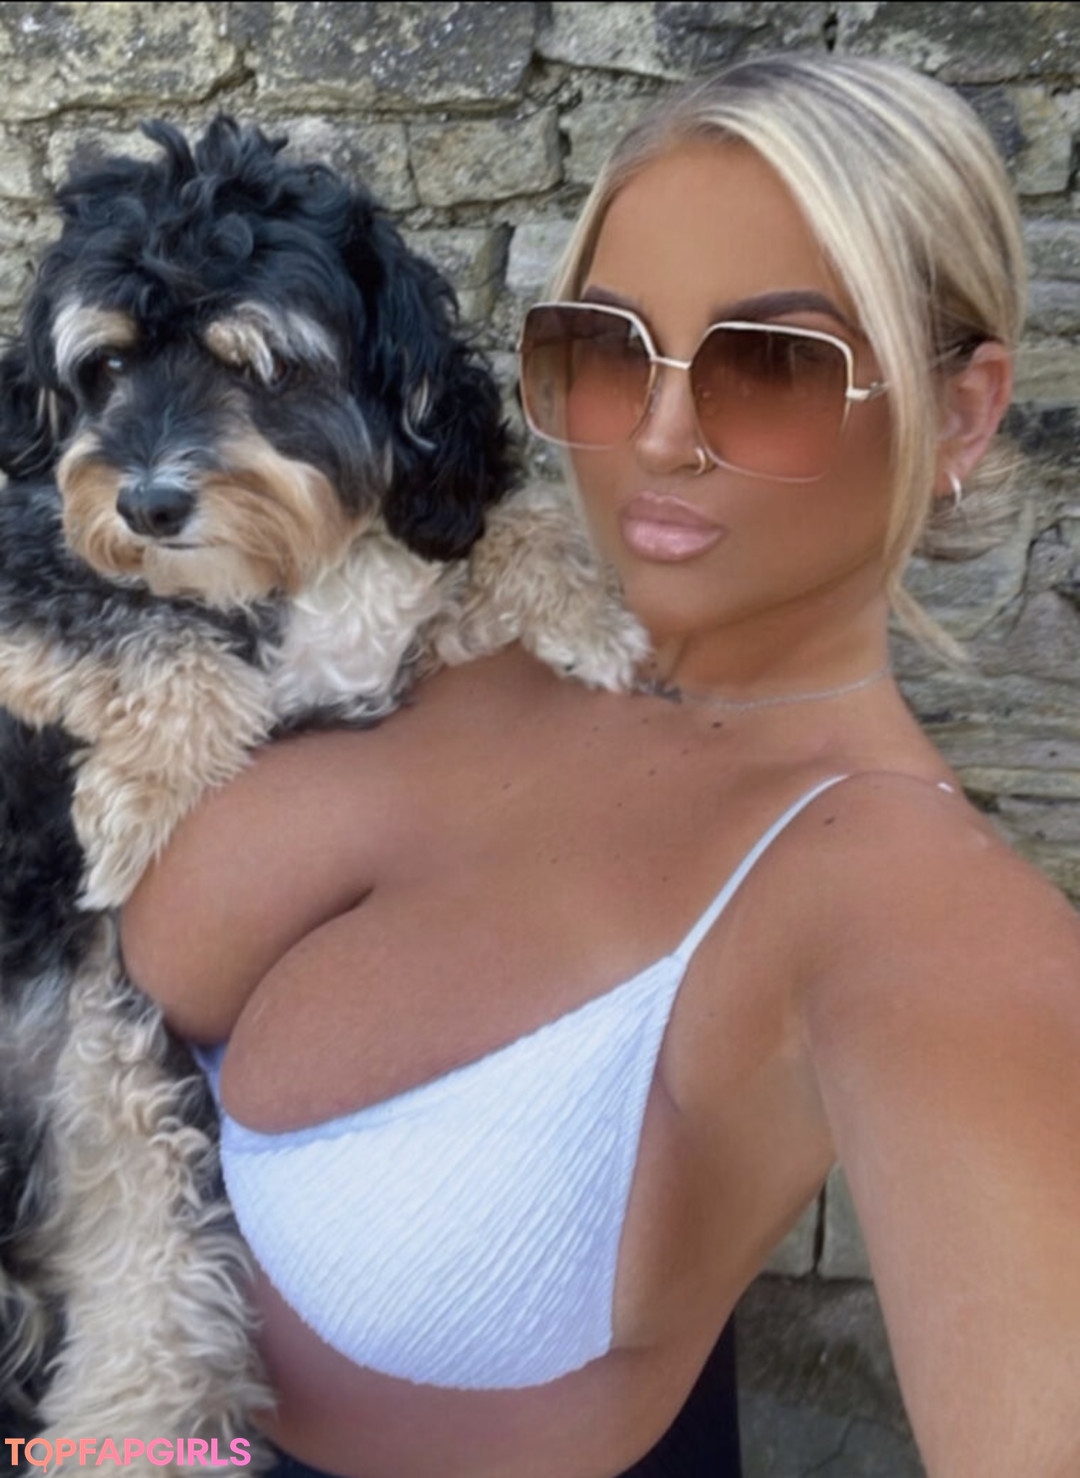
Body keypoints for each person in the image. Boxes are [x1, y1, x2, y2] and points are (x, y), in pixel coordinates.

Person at [119, 52, 1080, 1478]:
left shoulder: (911, 909)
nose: (660, 438)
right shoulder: (450, 607)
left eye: (772, 366)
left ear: (959, 413)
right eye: (610, 348)